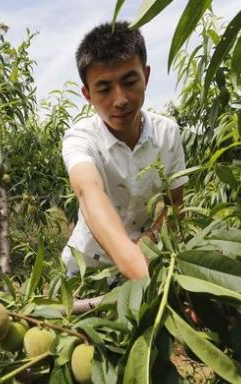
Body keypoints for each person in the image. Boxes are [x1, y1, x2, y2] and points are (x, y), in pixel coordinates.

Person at [61, 21, 187, 280]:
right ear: (87, 94)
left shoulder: (167, 134)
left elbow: (175, 204)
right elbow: (88, 192)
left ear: (147, 76)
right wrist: (137, 267)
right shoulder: (80, 139)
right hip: (87, 271)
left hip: (149, 259)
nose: (120, 100)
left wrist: (150, 239)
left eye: (130, 82)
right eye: (104, 89)